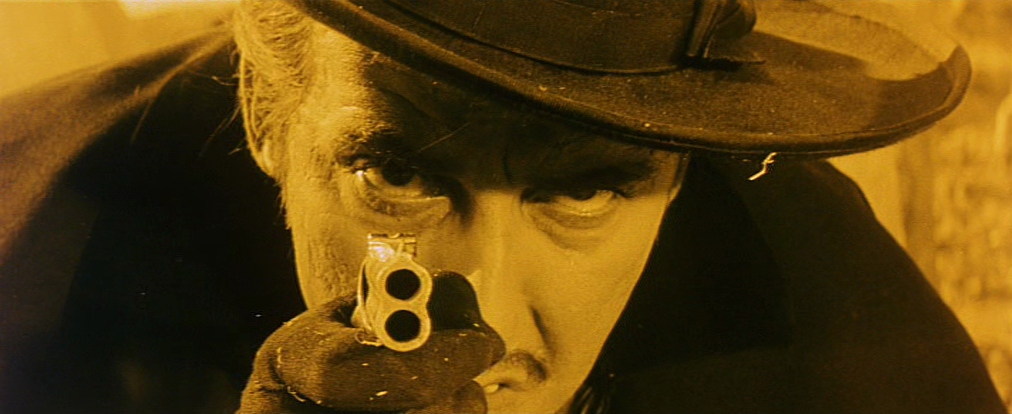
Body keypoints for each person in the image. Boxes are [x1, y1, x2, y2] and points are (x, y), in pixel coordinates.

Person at [0, 0, 1004, 413]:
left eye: (582, 189)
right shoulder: (33, 258)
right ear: (265, 110)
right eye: (397, 174)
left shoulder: (843, 350)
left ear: (683, 165)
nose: (484, 327)